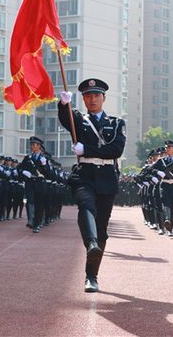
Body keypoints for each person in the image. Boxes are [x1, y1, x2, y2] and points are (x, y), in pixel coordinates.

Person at [58, 78, 126, 293]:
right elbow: (66, 120)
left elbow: (116, 150)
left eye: (96, 95)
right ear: (84, 99)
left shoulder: (116, 123)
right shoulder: (79, 119)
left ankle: (91, 275)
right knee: (85, 205)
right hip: (84, 175)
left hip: (106, 176)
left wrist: (85, 149)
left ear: (103, 98)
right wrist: (63, 105)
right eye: (88, 96)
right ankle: (91, 243)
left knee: (102, 228)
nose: (92, 99)